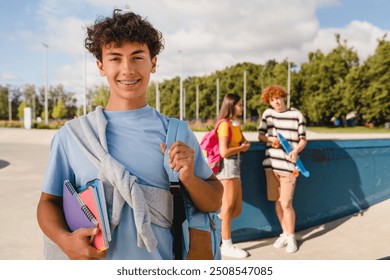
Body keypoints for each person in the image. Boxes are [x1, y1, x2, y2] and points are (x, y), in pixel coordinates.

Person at [36, 9, 223, 260]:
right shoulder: (73, 136)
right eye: (115, 58)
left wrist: (189, 178)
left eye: (137, 57)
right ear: (101, 66)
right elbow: (48, 202)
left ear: (153, 63)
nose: (127, 69)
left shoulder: (176, 133)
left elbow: (214, 201)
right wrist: (65, 241)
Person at [257, 84, 307, 253]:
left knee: (286, 203)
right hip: (271, 166)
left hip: (289, 168)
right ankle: (285, 233)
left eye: (277, 98)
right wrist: (272, 140)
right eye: (272, 100)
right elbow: (261, 135)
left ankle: (291, 237)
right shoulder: (267, 114)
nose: (276, 102)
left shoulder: (296, 114)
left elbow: (303, 139)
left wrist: (295, 150)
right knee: (278, 202)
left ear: (283, 96)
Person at [215, 93, 251, 258]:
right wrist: (241, 148)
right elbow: (224, 152)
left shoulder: (235, 124)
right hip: (227, 168)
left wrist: (243, 145)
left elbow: (243, 142)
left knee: (234, 208)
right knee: (227, 207)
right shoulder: (224, 125)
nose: (241, 108)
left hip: (235, 167)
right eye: (239, 105)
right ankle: (226, 244)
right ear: (231, 105)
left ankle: (222, 240)